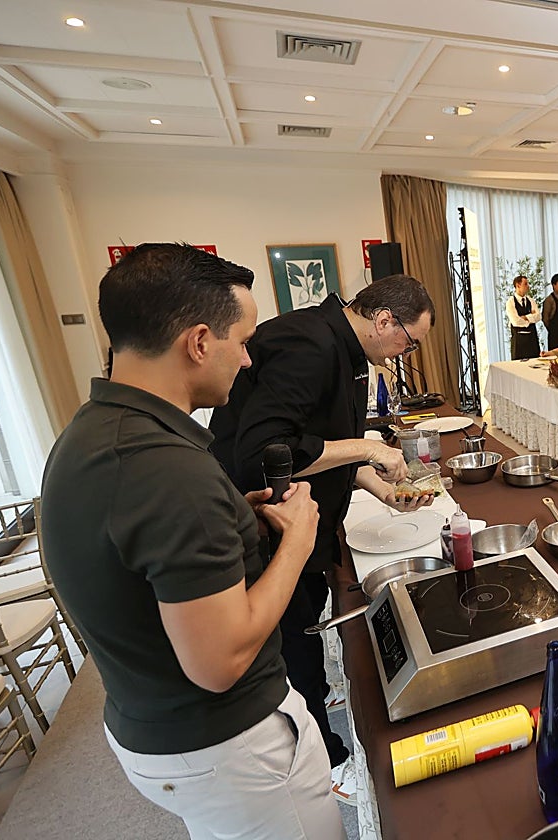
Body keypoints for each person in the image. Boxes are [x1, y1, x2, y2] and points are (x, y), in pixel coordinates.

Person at [41, 243, 344, 839]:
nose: (250, 360)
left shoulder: (93, 431)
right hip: (229, 745)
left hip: (150, 724)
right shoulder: (166, 469)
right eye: (244, 340)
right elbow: (220, 661)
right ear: (200, 342)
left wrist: (238, 521)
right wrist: (297, 544)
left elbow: (140, 558)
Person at [210, 273, 434, 782]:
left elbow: (319, 442)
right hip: (267, 523)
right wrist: (370, 448)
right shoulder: (310, 345)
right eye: (409, 341)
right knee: (296, 642)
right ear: (383, 320)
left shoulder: (345, 348)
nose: (405, 353)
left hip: (304, 521)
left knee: (308, 626)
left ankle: (315, 713)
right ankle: (322, 762)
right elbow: (268, 450)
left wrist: (375, 485)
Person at [506, 274, 541, 359]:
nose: (528, 286)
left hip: (532, 340)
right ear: (518, 285)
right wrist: (530, 317)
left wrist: (525, 317)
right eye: (525, 284)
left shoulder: (531, 300)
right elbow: (515, 321)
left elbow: (538, 316)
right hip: (519, 342)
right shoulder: (510, 302)